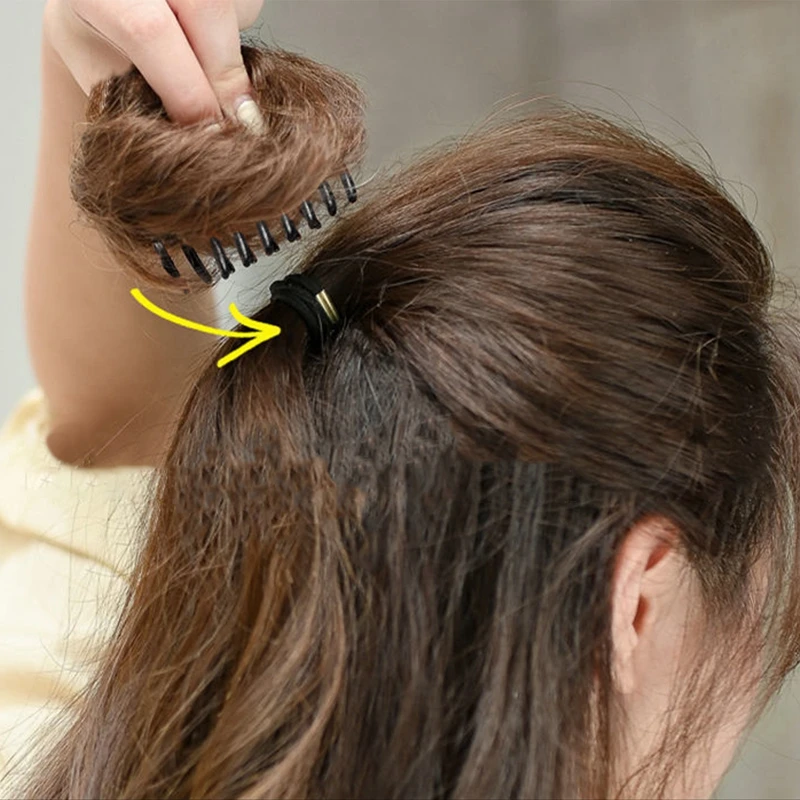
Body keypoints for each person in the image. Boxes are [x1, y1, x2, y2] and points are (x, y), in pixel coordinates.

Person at [1, 1, 799, 798]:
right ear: (638, 603)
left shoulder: (86, 698)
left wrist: (100, 75)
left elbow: (116, 425)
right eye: (758, 627)